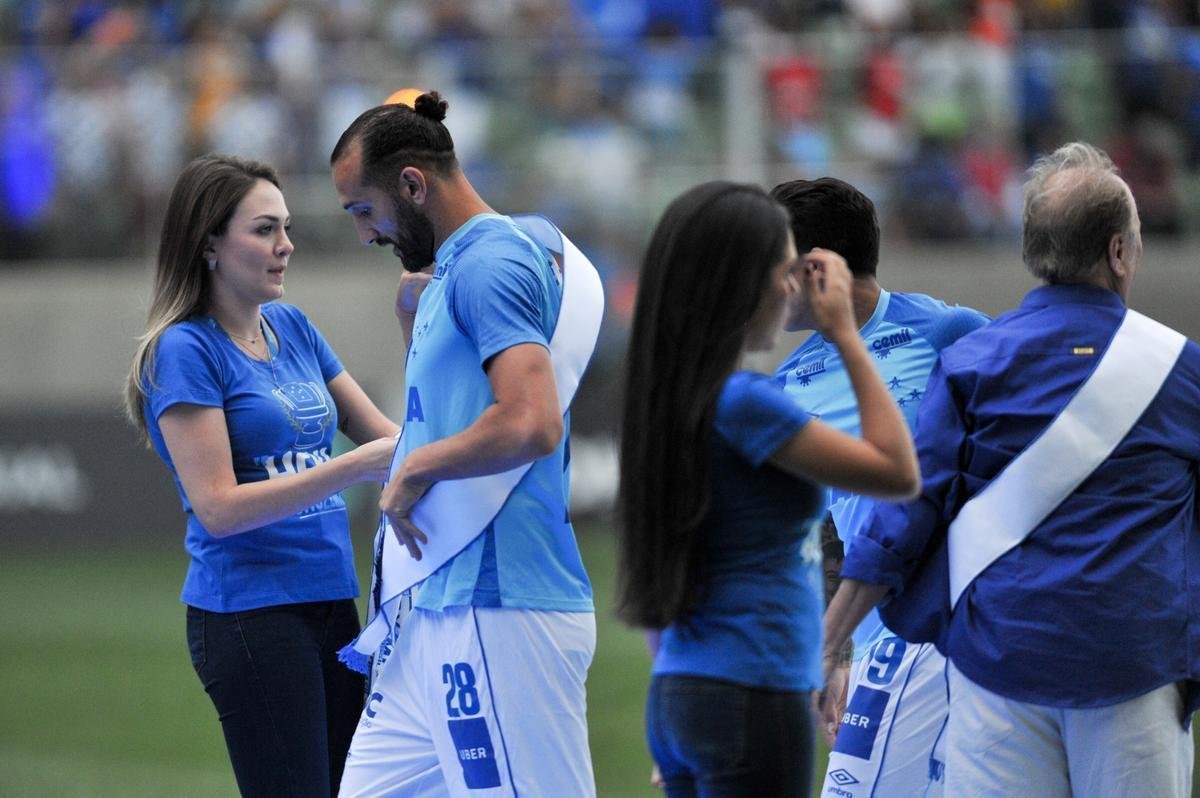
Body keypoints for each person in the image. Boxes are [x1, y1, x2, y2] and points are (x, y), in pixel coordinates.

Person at [824, 141, 1200, 796]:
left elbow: (904, 517)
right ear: (1119, 252)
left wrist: (830, 638)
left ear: (1033, 253)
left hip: (999, 661)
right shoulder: (1181, 370)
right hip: (1135, 666)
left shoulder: (974, 363)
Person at [329, 91, 601, 796]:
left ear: (413, 185)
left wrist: (417, 464)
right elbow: (458, 409)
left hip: (497, 605)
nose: (366, 234)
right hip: (438, 610)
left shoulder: (489, 263)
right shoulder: (457, 266)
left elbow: (530, 419)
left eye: (365, 210)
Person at [616, 180, 920, 798]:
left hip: (680, 690)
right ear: (740, 285)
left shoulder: (671, 406)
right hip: (753, 692)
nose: (793, 291)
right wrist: (845, 336)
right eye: (784, 272)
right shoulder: (749, 404)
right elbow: (897, 471)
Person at [123, 154, 400, 797]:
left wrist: (481, 441)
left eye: (286, 227)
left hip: (332, 603)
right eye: (265, 230)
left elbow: (387, 436)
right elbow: (219, 507)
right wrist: (351, 467)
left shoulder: (294, 326)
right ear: (210, 243)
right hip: (251, 615)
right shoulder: (184, 349)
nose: (286, 246)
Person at [770, 177, 989, 795]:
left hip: (945, 626)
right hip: (870, 638)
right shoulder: (790, 385)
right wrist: (836, 654)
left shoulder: (952, 334)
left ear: (816, 269)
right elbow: (826, 529)